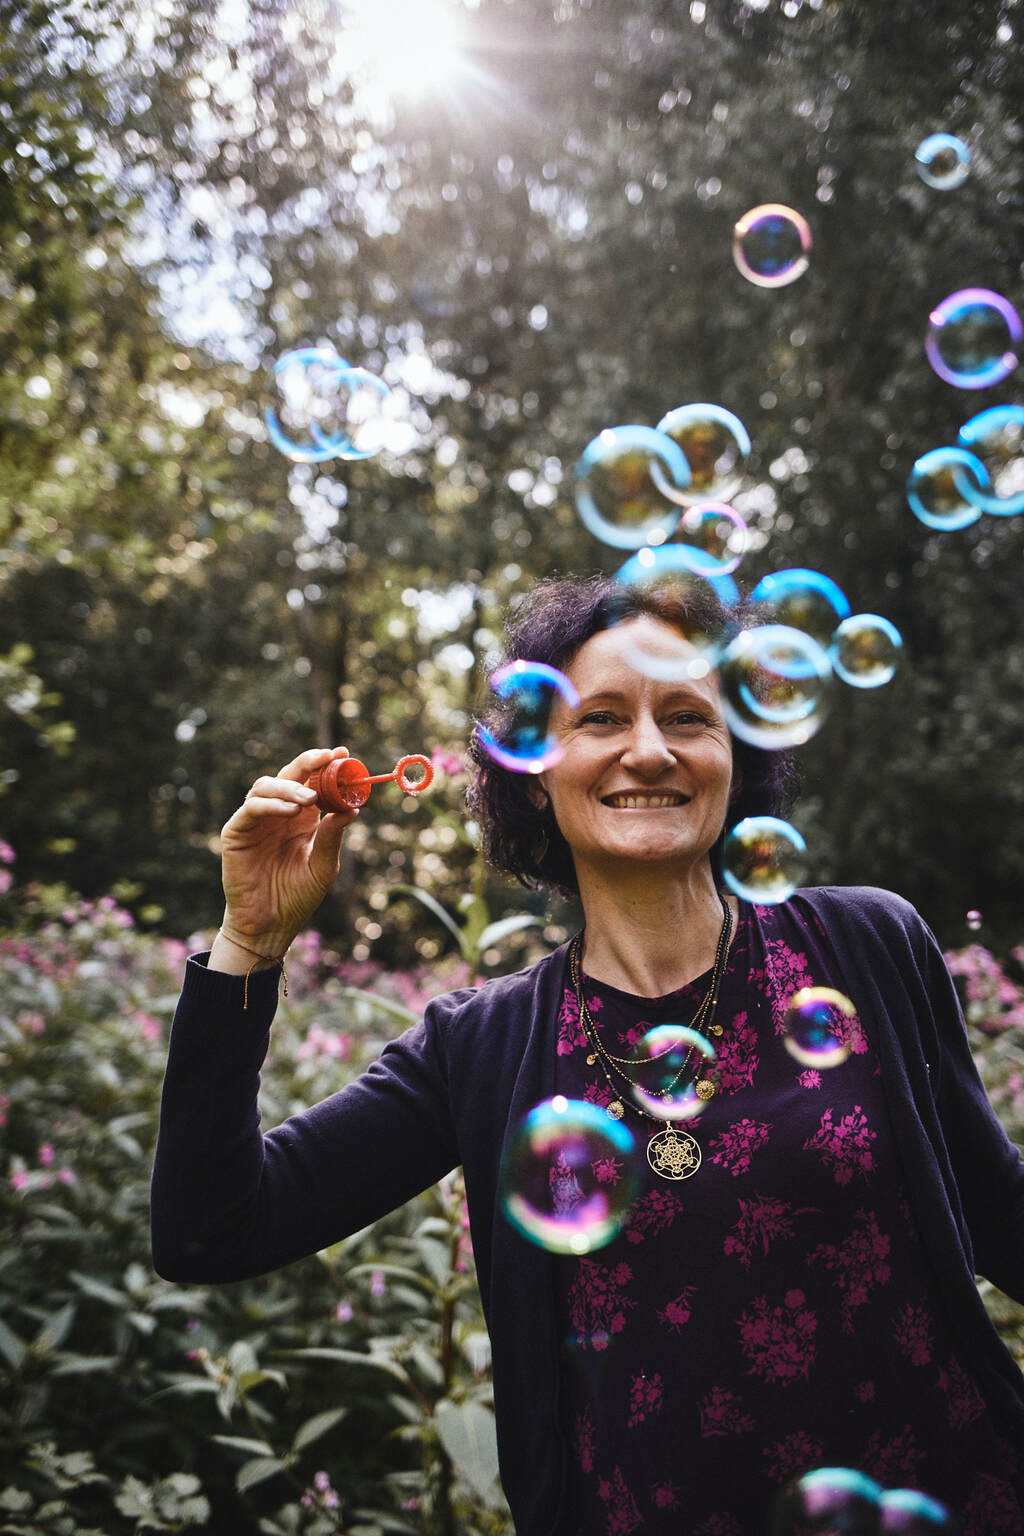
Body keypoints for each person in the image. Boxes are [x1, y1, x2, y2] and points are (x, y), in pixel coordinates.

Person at [151, 574, 1024, 1536]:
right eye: (602, 717)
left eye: (688, 716)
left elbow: (999, 1214)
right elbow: (210, 1229)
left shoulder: (867, 946)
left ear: (738, 757)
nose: (648, 750)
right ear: (537, 768)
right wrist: (249, 942)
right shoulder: (478, 1048)